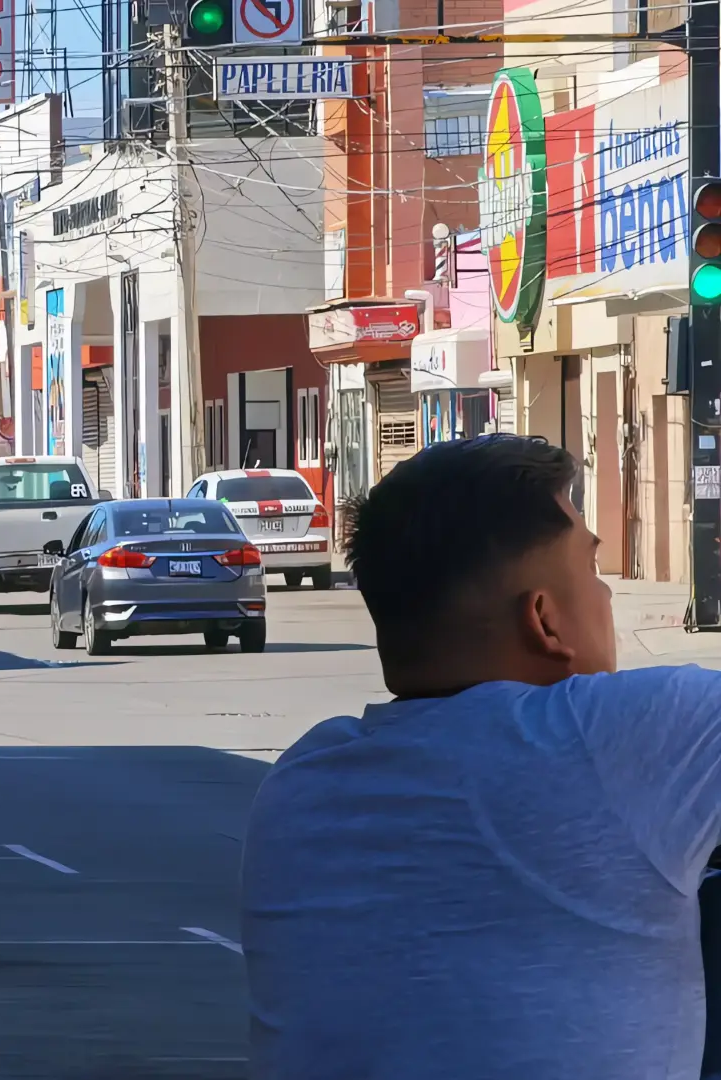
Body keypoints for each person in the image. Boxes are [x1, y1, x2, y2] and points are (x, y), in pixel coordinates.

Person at [240, 434, 721, 1079]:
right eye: (592, 569)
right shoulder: (616, 736)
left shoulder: (300, 784)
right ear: (544, 620)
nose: (608, 598)